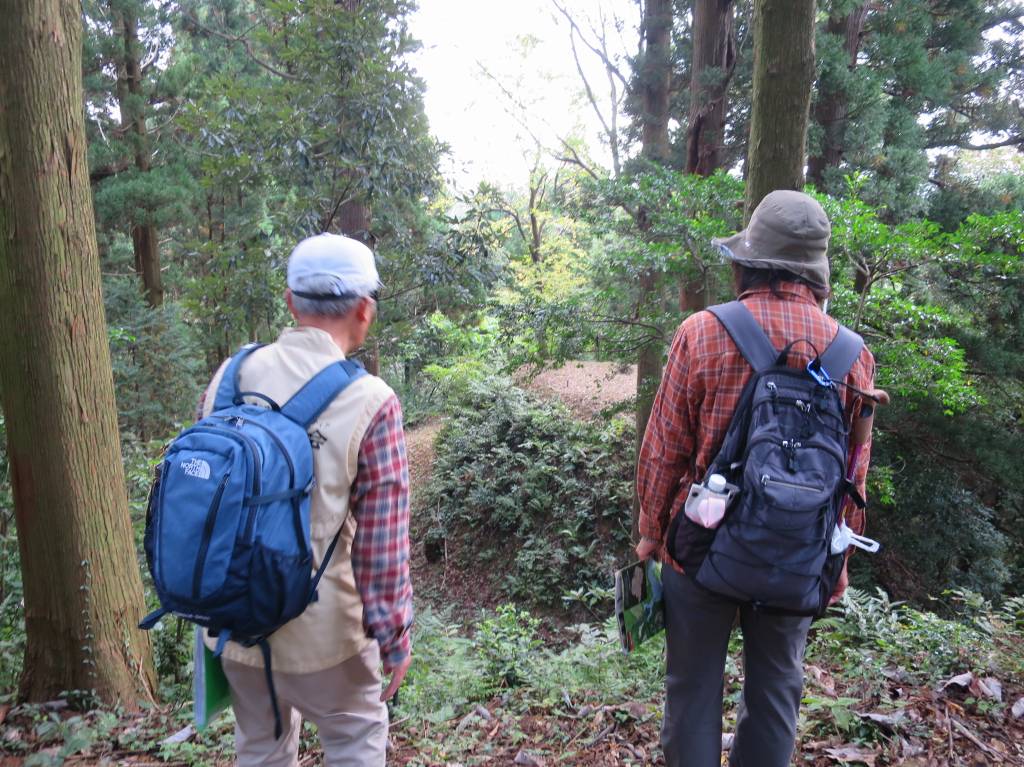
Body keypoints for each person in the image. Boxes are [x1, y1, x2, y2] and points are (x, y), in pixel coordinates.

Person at [635, 190, 876, 767]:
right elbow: (852, 475)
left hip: (702, 546)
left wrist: (650, 531)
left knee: (692, 692)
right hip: (798, 555)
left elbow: (663, 450)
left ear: (748, 261)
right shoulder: (852, 354)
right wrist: (835, 562)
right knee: (775, 696)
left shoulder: (703, 332)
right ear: (815, 271)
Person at [196, 233, 412, 767]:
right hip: (328, 640)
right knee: (355, 743)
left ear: (290, 303)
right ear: (366, 312)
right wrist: (394, 636)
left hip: (235, 630)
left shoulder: (230, 376)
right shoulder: (372, 401)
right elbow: (381, 548)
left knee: (261, 750)